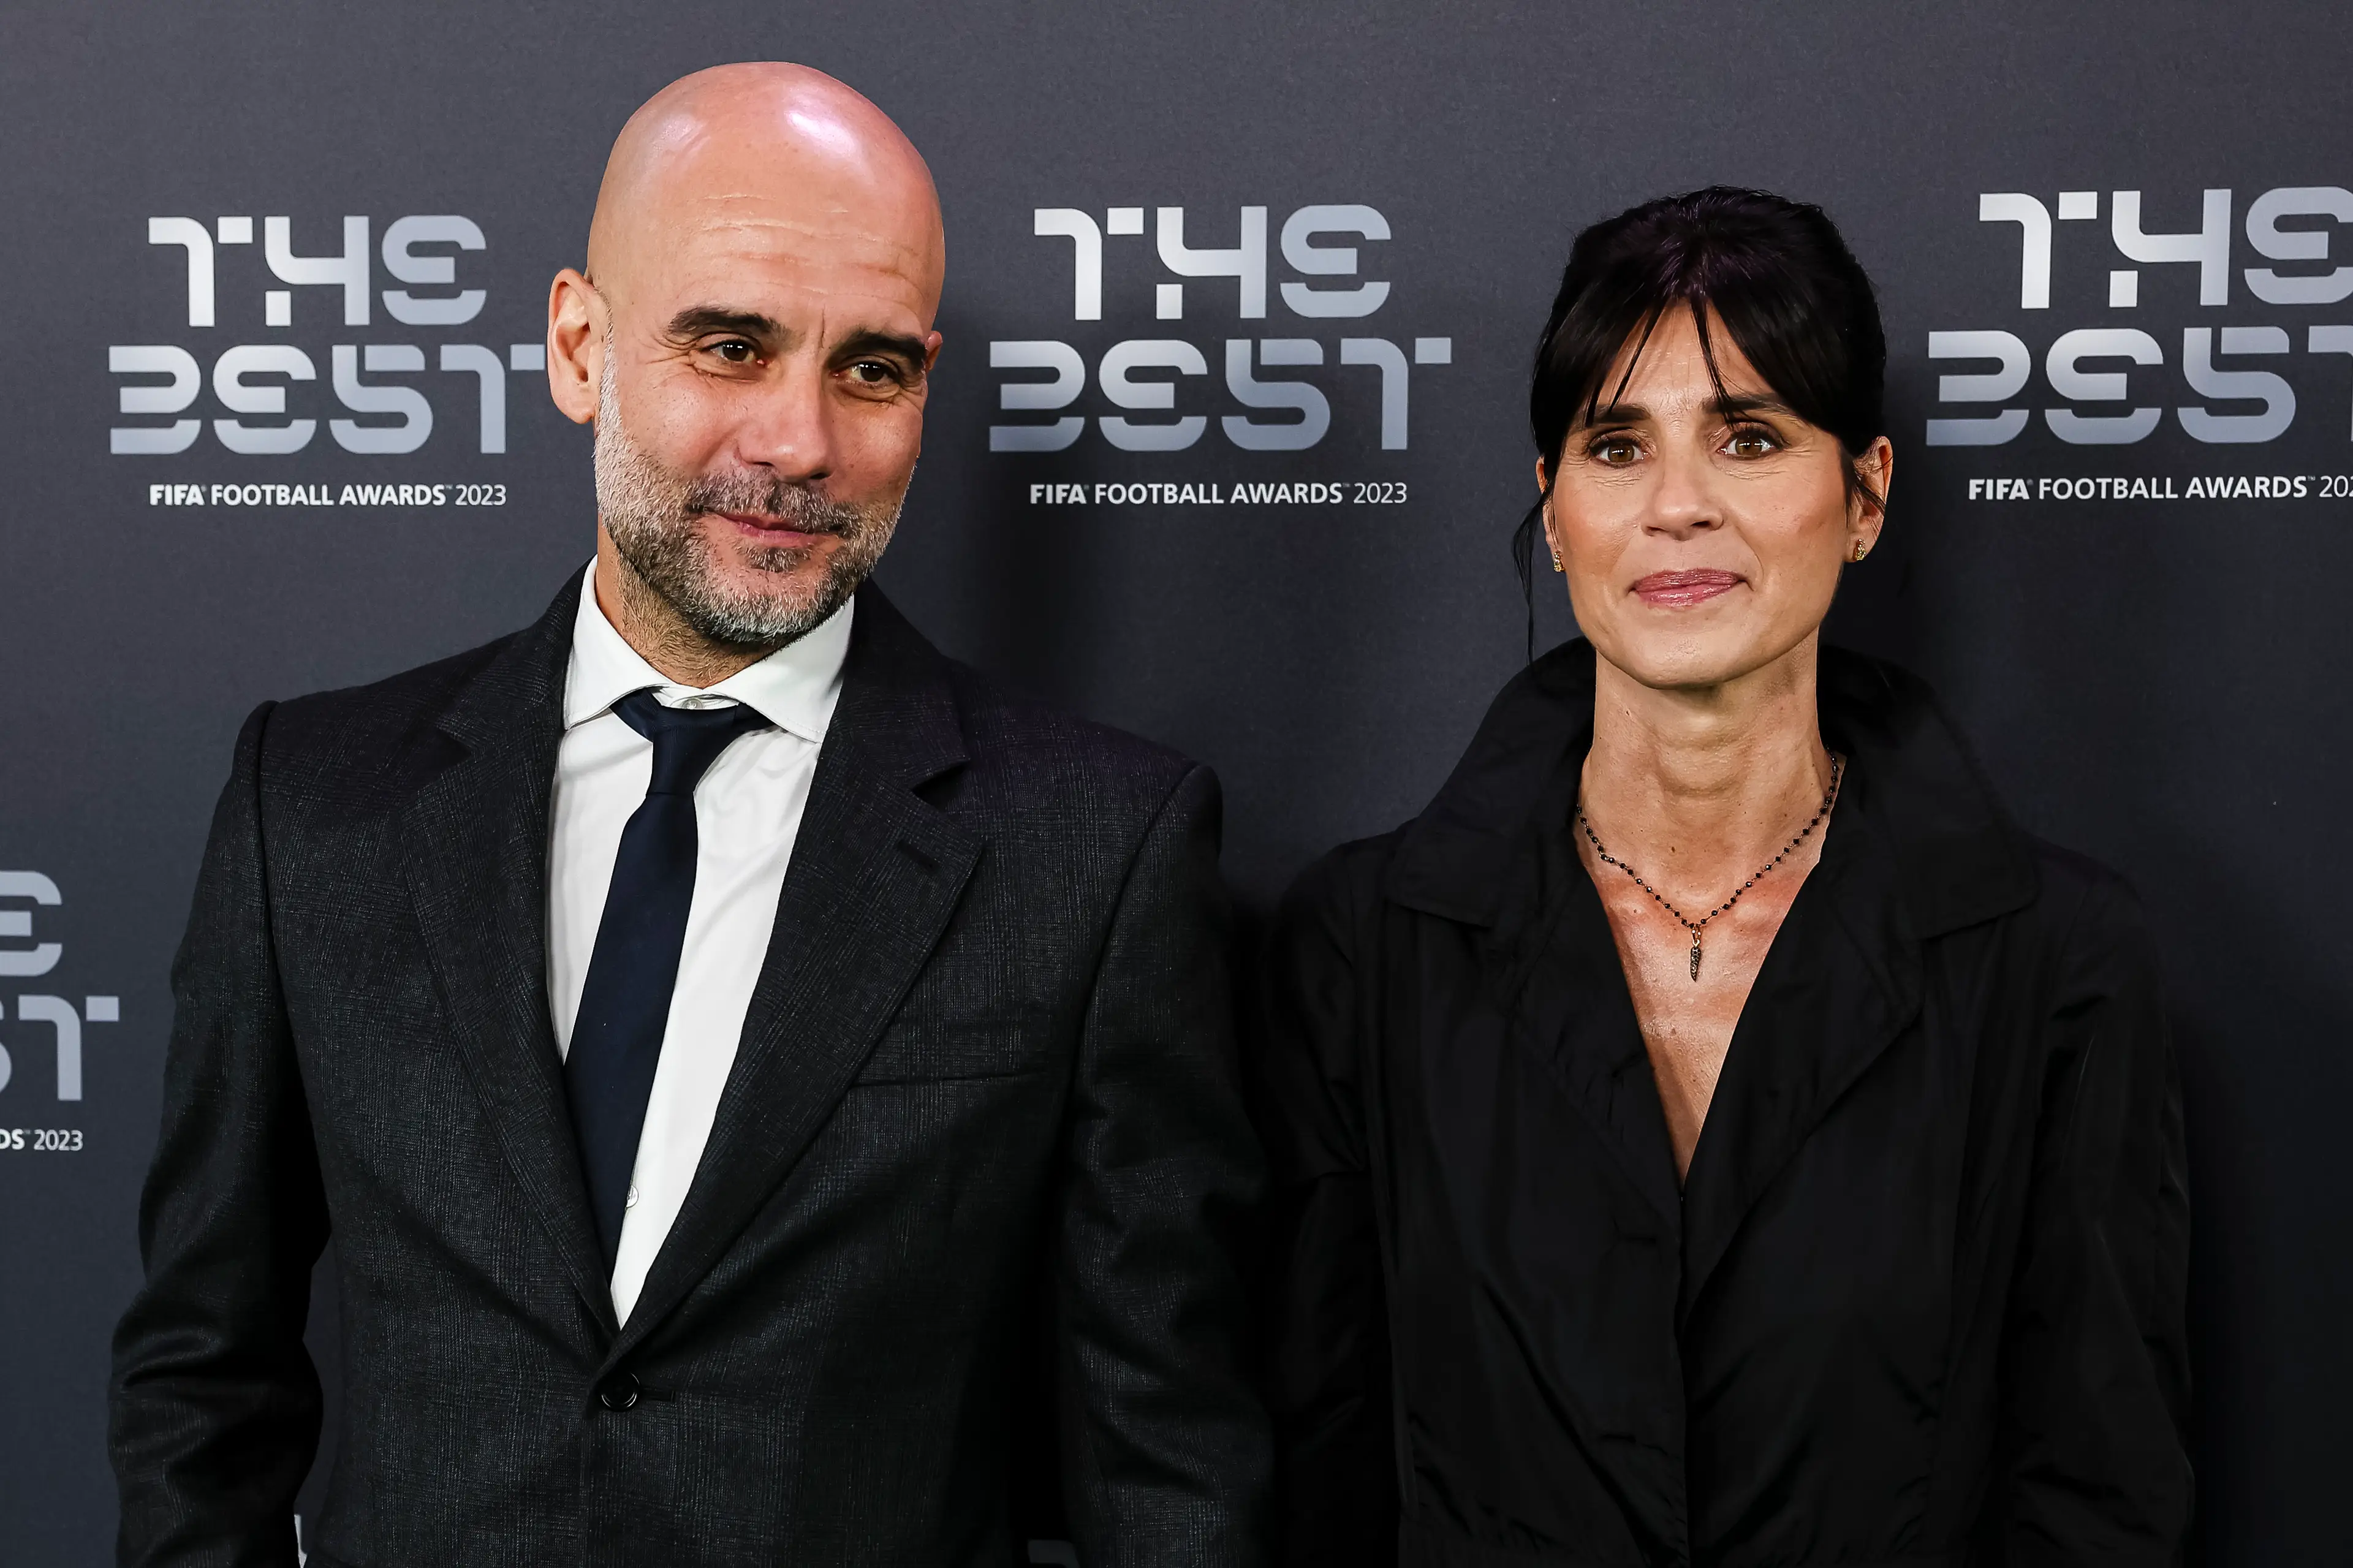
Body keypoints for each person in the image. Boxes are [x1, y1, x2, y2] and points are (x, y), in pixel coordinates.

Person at [110, 62, 1268, 1567]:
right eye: (731, 344)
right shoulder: (315, 802)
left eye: (872, 370)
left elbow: (1162, 1460)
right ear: (579, 345)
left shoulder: (1095, 847)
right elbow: (202, 1374)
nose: (797, 443)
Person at [1257, 188, 2191, 1566]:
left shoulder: (2058, 958)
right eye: (1617, 445)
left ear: (1864, 495)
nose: (1678, 506)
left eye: (1749, 438)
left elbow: (2100, 1496)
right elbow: (1310, 1472)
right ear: (1556, 510)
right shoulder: (1364, 946)